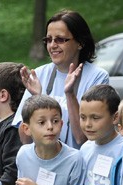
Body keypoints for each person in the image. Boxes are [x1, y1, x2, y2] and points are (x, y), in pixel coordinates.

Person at [14, 10, 108, 149]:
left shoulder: (97, 77)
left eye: (60, 39)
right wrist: (37, 99)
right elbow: (25, 139)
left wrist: (69, 94)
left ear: (80, 42)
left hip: (78, 166)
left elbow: (82, 138)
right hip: (44, 164)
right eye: (48, 40)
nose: (52, 45)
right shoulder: (38, 75)